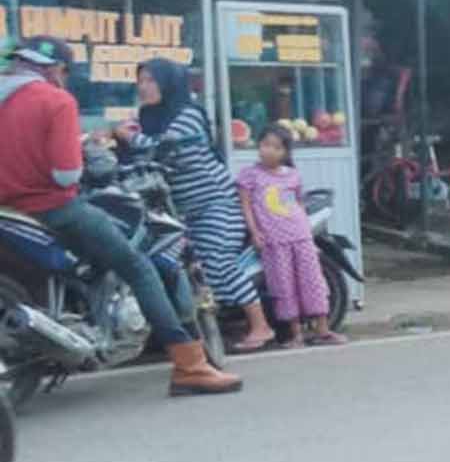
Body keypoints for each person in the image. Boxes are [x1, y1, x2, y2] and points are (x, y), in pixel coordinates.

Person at [0, 37, 239, 396]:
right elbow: (66, 174)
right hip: (52, 209)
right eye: (65, 72)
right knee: (138, 266)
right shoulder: (55, 100)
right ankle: (190, 366)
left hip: (9, 211)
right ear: (56, 70)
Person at [119, 57, 271, 351]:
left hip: (217, 203)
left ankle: (260, 325)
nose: (143, 87)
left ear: (168, 83)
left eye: (151, 80)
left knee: (217, 262)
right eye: (140, 81)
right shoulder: (148, 118)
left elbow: (167, 148)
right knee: (185, 270)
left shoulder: (188, 114)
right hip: (181, 212)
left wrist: (130, 139)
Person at [235, 124, 345, 347]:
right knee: (283, 287)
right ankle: (296, 334)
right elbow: (246, 207)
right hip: (274, 241)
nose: (268, 150)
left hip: (301, 236)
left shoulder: (292, 175)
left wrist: (308, 234)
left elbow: (298, 204)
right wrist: (255, 233)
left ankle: (323, 329)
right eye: (265, 144)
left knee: (312, 282)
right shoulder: (249, 175)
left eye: (276, 147)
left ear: (285, 152)